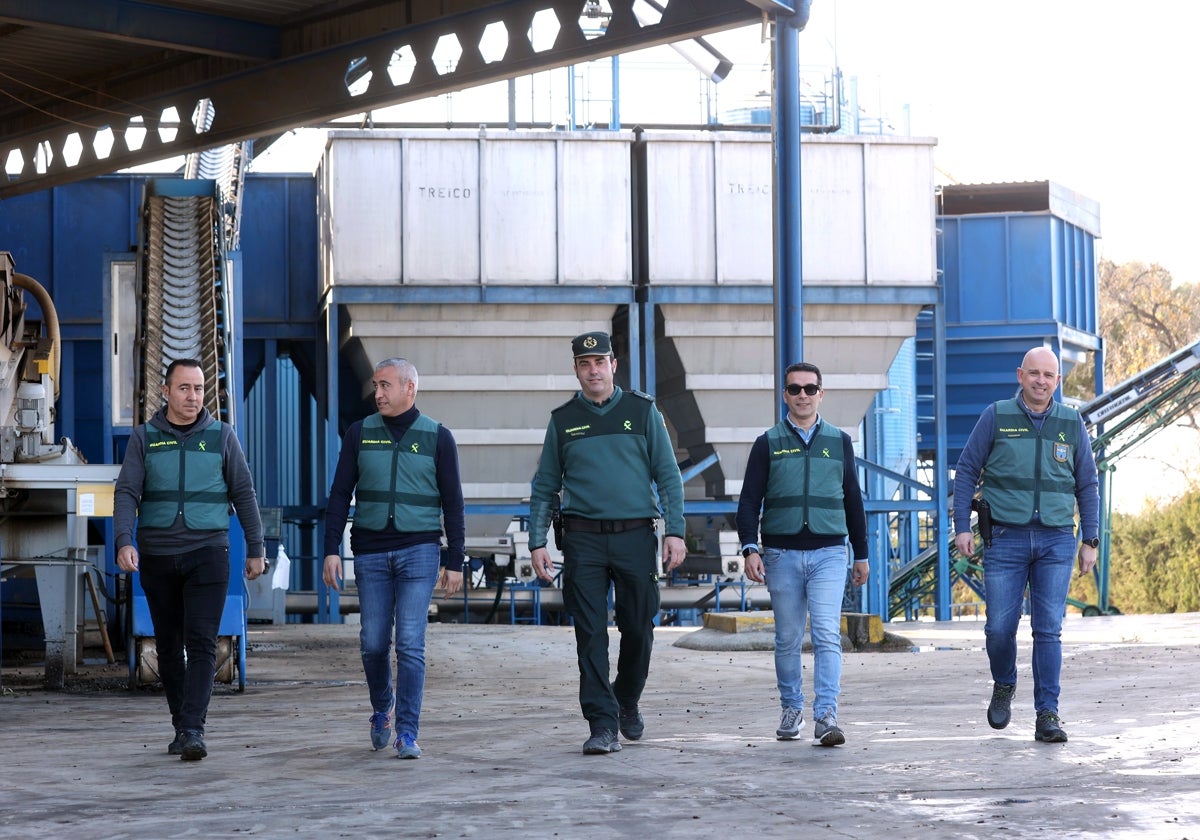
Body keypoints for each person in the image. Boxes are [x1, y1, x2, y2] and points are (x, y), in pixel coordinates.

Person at [529, 331, 686, 755]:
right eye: (585, 363)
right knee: (590, 633)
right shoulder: (563, 420)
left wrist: (675, 530)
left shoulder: (642, 411)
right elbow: (545, 484)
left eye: (600, 362)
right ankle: (601, 723)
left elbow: (668, 475)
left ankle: (627, 698)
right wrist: (537, 541)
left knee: (640, 627)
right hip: (583, 541)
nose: (593, 370)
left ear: (614, 365)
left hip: (636, 536)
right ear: (576, 369)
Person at [114, 358, 265, 762]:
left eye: (199, 389)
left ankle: (193, 729)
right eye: (184, 388)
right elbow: (127, 492)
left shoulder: (222, 436)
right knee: (168, 645)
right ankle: (182, 722)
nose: (193, 397)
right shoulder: (144, 438)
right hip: (158, 557)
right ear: (166, 392)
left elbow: (244, 493)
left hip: (208, 555)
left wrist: (256, 547)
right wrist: (124, 541)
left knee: (202, 642)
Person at [953, 346, 1100, 744]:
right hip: (1005, 537)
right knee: (1000, 628)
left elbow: (1087, 483)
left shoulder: (1071, 423)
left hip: (1056, 539)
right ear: (1020, 375)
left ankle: (1046, 714)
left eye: (1048, 375)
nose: (1040, 381)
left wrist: (1090, 539)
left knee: (1048, 630)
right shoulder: (996, 415)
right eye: (1033, 373)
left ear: (1057, 381)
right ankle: (1004, 683)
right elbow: (966, 469)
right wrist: (961, 526)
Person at [322, 357, 465, 759]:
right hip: (370, 552)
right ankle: (381, 707)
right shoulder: (358, 434)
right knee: (372, 643)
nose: (377, 393)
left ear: (409, 389)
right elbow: (338, 496)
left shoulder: (438, 437)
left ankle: (407, 731)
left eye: (385, 385)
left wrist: (455, 560)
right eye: (375, 385)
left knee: (410, 644)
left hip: (419, 551)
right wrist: (331, 549)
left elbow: (454, 504)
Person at [736, 361, 870, 747]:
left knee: (827, 634)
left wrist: (861, 553)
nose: (803, 396)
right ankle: (791, 707)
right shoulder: (767, 443)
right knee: (788, 637)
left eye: (810, 389)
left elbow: (853, 501)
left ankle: (826, 715)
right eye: (795, 389)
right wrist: (749, 548)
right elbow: (749, 501)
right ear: (785, 395)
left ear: (821, 394)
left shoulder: (839, 442)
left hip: (829, 552)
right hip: (781, 554)